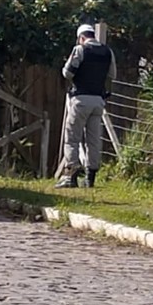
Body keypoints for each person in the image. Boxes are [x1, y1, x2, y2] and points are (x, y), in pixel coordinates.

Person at [55, 23, 116, 189]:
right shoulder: (107, 51)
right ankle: (90, 178)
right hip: (98, 101)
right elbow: (112, 75)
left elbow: (67, 73)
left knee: (72, 138)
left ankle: (71, 177)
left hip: (81, 99)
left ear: (81, 38)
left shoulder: (80, 50)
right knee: (94, 140)